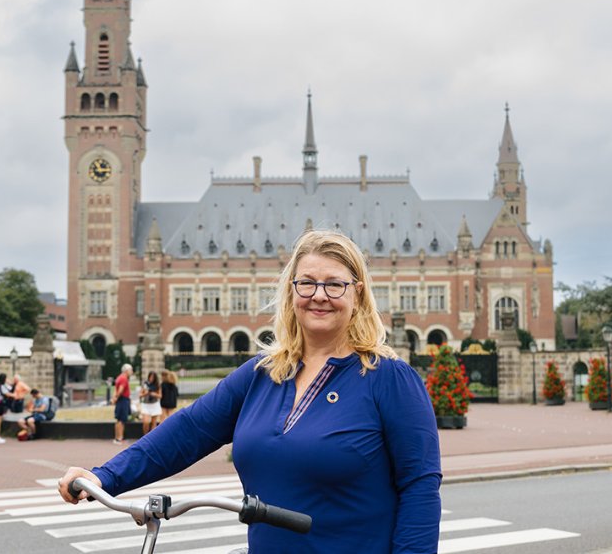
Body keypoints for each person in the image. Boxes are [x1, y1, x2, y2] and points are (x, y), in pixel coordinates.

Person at [58, 230, 442, 552]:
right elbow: (187, 432)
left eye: (334, 284)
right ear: (292, 291)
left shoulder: (390, 379)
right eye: (306, 283)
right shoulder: (261, 375)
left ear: (357, 294)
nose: (319, 295)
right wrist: (104, 477)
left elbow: (420, 488)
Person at [111, 364, 132, 445]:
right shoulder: (124, 378)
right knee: (121, 420)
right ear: (126, 370)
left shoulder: (119, 377)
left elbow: (116, 390)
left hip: (120, 400)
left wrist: (114, 398)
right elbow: (120, 390)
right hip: (123, 400)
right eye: (131, 370)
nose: (131, 372)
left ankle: (118, 437)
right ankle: (119, 438)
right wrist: (116, 397)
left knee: (119, 419)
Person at [139, 371, 162, 435]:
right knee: (146, 422)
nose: (151, 378)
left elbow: (160, 396)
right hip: (146, 404)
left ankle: (151, 437)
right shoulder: (145, 384)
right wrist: (145, 393)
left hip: (154, 404)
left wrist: (154, 394)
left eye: (153, 377)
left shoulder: (157, 385)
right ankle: (145, 435)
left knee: (153, 423)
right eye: (150, 377)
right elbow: (140, 395)